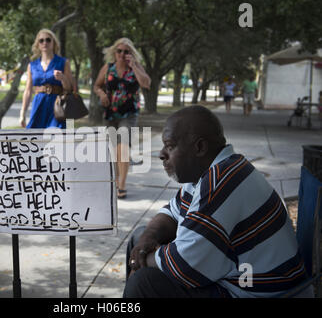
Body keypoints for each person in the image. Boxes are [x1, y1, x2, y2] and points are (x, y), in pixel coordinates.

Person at [123, 105, 313, 298]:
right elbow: (172, 212)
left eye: (170, 146)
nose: (161, 154)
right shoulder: (212, 171)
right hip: (242, 281)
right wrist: (148, 238)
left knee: (144, 283)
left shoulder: (221, 182)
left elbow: (183, 266)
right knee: (139, 238)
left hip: (263, 294)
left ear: (199, 147)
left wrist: (140, 262)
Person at [93, 38, 151, 199]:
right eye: (119, 51)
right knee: (113, 150)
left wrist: (134, 66)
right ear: (114, 52)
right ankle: (115, 181)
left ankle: (122, 185)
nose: (122, 54)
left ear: (131, 54)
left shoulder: (136, 67)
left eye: (126, 51)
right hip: (110, 113)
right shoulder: (108, 68)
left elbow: (147, 83)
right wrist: (102, 93)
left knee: (123, 147)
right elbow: (97, 85)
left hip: (129, 112)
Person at [19, 29, 73, 129]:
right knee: (35, 138)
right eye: (41, 40)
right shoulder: (32, 65)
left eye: (48, 40)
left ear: (53, 43)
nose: (45, 43)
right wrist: (22, 112)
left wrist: (63, 78)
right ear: (38, 44)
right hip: (38, 105)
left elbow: (69, 89)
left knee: (56, 137)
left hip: (57, 106)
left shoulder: (63, 62)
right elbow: (28, 91)